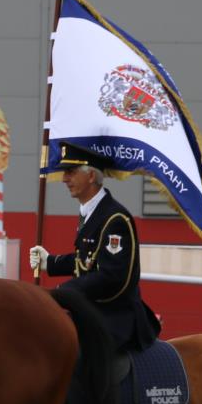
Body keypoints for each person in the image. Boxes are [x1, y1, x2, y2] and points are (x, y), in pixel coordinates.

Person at [28, 144, 160, 353]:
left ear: (90, 176)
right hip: (94, 309)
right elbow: (88, 259)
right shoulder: (91, 211)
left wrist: (64, 291)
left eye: (70, 172)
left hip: (116, 316)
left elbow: (113, 276)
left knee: (81, 361)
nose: (64, 178)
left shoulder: (115, 218)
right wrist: (51, 262)